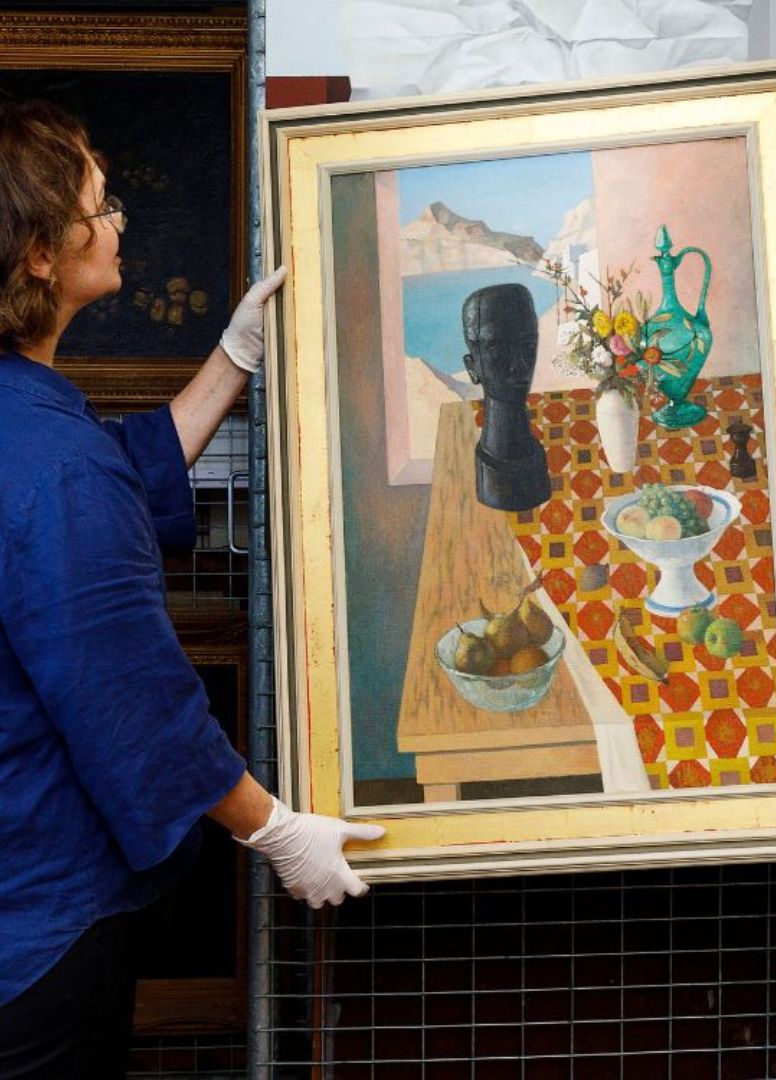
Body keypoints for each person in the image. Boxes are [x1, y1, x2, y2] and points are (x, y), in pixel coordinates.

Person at [0, 100, 385, 1078]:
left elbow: (116, 473)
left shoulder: (42, 438)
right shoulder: (53, 467)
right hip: (34, 929)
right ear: (42, 253)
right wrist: (277, 829)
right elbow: (131, 700)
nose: (120, 221)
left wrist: (235, 355)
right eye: (102, 203)